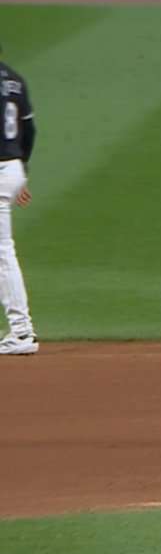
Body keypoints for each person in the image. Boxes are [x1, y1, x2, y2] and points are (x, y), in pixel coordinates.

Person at [0, 42, 38, 356]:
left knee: (2, 252)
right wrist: (20, 172)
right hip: (11, 167)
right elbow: (30, 130)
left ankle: (22, 331)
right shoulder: (15, 79)